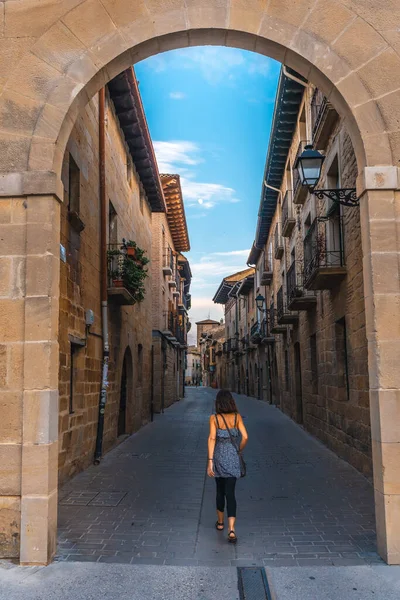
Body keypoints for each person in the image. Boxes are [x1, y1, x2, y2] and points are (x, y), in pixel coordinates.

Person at [207, 389, 248, 543]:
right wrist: (239, 449)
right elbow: (245, 436)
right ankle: (231, 530)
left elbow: (212, 438)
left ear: (218, 403)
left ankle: (220, 523)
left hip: (218, 458)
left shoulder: (214, 419)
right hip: (232, 457)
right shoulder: (237, 417)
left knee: (220, 491)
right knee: (231, 493)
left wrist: (210, 461)